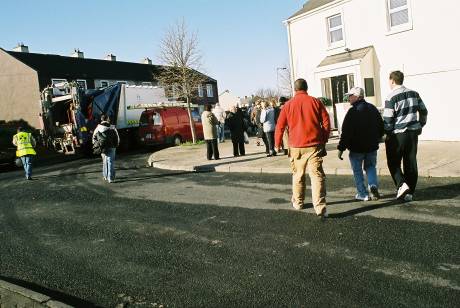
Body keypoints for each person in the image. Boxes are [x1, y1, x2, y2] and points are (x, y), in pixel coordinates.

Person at [275, 78, 330, 218]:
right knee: (316, 175)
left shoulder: (288, 105)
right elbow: (326, 121)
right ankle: (319, 206)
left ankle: (298, 202)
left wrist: (277, 144)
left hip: (296, 146)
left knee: (298, 175)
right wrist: (323, 138)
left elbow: (280, 126)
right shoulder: (316, 102)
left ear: (295, 89)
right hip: (314, 145)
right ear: (307, 88)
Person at [383, 71, 428, 202]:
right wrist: (420, 125)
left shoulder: (391, 97)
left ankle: (401, 185)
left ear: (392, 81)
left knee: (393, 161)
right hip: (413, 134)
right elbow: (424, 110)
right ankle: (410, 193)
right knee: (411, 162)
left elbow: (388, 120)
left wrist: (387, 134)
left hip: (398, 135)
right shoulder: (414, 94)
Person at [337, 87, 384, 201]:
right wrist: (378, 138)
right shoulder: (373, 108)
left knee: (357, 171)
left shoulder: (352, 111)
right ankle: (373, 185)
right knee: (371, 167)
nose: (349, 98)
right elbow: (381, 126)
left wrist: (341, 148)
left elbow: (346, 132)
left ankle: (363, 194)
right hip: (371, 146)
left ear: (357, 97)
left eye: (350, 95)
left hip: (356, 148)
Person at [92, 114, 120, 183]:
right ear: (107, 119)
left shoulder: (98, 128)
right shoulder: (112, 127)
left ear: (101, 119)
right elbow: (117, 137)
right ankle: (110, 178)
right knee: (110, 162)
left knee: (105, 161)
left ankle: (105, 176)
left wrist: (96, 145)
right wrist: (116, 145)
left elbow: (94, 138)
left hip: (102, 147)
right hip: (111, 146)